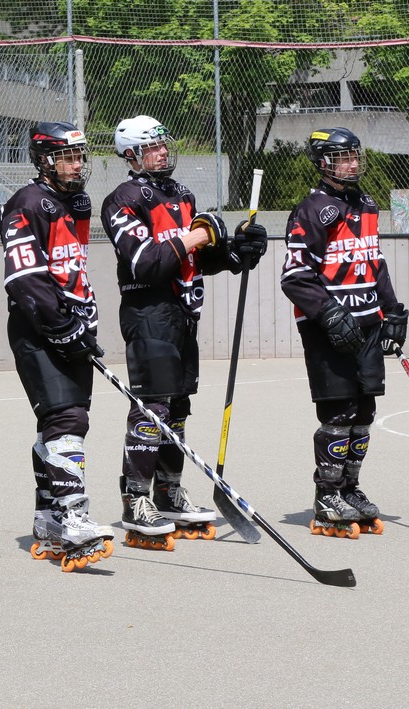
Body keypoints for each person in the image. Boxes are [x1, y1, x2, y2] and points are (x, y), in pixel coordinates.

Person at [101, 115, 266, 550]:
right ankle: (135, 499)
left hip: (183, 313)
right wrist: (197, 237)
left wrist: (236, 250)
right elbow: (147, 262)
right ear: (131, 155)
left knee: (177, 408)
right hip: (148, 312)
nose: (162, 152)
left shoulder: (182, 194)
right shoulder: (122, 200)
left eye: (163, 144)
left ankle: (168, 492)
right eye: (151, 148)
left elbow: (196, 259)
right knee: (152, 408)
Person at [0, 122, 114, 572]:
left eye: (80, 156)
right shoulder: (26, 203)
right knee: (68, 418)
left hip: (73, 327)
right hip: (38, 329)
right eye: (67, 157)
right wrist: (63, 326)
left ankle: (48, 517)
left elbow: (72, 269)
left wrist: (81, 325)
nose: (76, 164)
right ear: (44, 160)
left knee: (58, 423)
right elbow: (24, 278)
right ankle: (73, 516)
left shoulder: (75, 203)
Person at [281, 127, 402, 538]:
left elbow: (374, 262)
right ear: (322, 163)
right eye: (341, 158)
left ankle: (349, 487)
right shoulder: (311, 209)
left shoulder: (366, 204)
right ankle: (328, 493)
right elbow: (295, 276)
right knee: (339, 413)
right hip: (328, 328)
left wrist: (393, 311)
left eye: (354, 156)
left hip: (367, 323)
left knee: (364, 413)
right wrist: (330, 314)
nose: (351, 164)